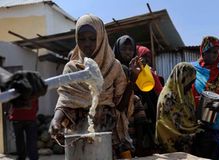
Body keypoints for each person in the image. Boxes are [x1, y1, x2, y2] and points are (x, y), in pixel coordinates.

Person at [48, 14, 132, 159]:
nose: (87, 44)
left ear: (101, 38)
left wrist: (133, 81)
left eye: (92, 39)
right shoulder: (71, 68)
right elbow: (65, 99)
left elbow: (120, 106)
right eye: (82, 39)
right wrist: (56, 120)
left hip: (108, 133)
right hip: (77, 134)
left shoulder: (113, 66)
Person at [113, 35, 162, 156]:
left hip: (138, 114)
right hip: (118, 113)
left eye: (130, 49)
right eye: (124, 49)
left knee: (135, 147)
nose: (128, 52)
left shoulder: (138, 68)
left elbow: (148, 90)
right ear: (118, 50)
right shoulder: (114, 69)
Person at [190, 36, 219, 159]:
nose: (212, 55)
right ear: (202, 51)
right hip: (197, 120)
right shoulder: (192, 69)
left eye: (215, 52)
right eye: (209, 51)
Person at [155, 62, 201, 153]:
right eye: (189, 82)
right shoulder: (169, 97)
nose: (190, 86)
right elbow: (171, 127)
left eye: (193, 83)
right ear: (181, 79)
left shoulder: (186, 93)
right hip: (171, 143)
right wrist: (195, 132)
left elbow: (190, 116)